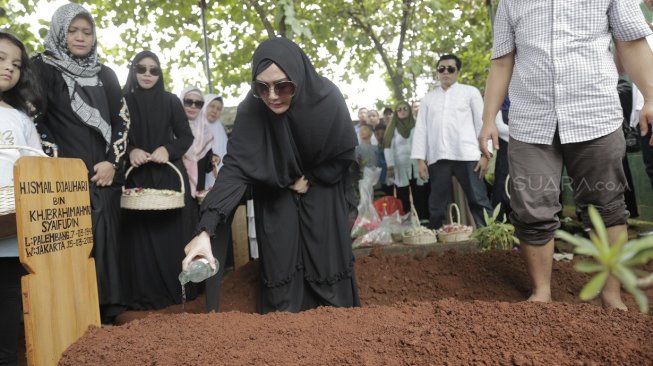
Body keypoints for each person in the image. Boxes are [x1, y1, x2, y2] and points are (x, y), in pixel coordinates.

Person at [480, 0, 653, 308]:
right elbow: (502, 61)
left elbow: (631, 42)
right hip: (531, 120)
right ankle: (541, 293)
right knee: (532, 207)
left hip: (594, 113)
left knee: (607, 204)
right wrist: (488, 118)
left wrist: (651, 95)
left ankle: (611, 295)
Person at [183, 37, 360, 314]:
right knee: (281, 264)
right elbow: (235, 169)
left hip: (324, 189)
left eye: (283, 86)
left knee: (327, 261)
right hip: (276, 193)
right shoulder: (252, 110)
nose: (273, 96)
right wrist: (206, 228)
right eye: (261, 87)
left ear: (299, 79)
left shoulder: (328, 100)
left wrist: (312, 176)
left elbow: (344, 151)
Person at [32, 3, 130, 323]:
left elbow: (122, 122)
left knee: (106, 241)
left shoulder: (106, 74)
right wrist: (58, 165)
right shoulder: (42, 68)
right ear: (60, 32)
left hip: (102, 176)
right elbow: (35, 119)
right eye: (72, 31)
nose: (80, 37)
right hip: (61, 178)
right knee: (71, 244)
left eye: (87, 32)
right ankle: (74, 314)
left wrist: (112, 162)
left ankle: (110, 310)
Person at [120, 51, 195, 310]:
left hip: (168, 176)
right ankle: (143, 294)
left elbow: (185, 137)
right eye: (141, 69)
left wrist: (168, 149)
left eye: (154, 70)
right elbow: (115, 138)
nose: (147, 75)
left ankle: (178, 290)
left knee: (170, 233)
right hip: (138, 177)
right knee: (141, 236)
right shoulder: (122, 102)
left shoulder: (171, 101)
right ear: (133, 71)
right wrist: (131, 151)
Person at [0, 31, 43, 366]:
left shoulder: (21, 119)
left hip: (12, 233)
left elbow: (37, 166)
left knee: (10, 302)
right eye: (1, 59)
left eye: (15, 64)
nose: (8, 68)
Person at [411, 55, 492, 229]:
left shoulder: (470, 92)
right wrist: (420, 160)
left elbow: (482, 124)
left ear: (458, 72)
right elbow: (421, 129)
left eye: (450, 68)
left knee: (478, 199)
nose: (445, 72)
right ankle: (434, 243)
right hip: (438, 156)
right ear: (437, 72)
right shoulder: (428, 99)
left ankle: (491, 238)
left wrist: (486, 155)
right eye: (441, 69)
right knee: (436, 204)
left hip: (468, 155)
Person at [385, 101, 429, 221]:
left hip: (417, 164)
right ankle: (406, 222)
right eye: (399, 109)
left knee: (420, 193)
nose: (402, 111)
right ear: (396, 112)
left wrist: (425, 160)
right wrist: (390, 166)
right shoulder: (392, 128)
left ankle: (423, 221)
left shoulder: (417, 125)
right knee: (402, 195)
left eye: (405, 109)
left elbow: (424, 142)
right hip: (400, 167)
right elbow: (388, 147)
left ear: (409, 110)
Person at [180, 86, 216, 200]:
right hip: (176, 188)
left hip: (197, 192)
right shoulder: (172, 130)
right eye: (188, 102)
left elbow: (207, 165)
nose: (193, 106)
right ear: (181, 102)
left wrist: (213, 158)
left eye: (198, 103)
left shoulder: (206, 133)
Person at [202, 94, 228, 189]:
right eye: (212, 106)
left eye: (218, 109)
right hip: (201, 178)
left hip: (220, 179)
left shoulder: (221, 130)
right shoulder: (195, 127)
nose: (214, 111)